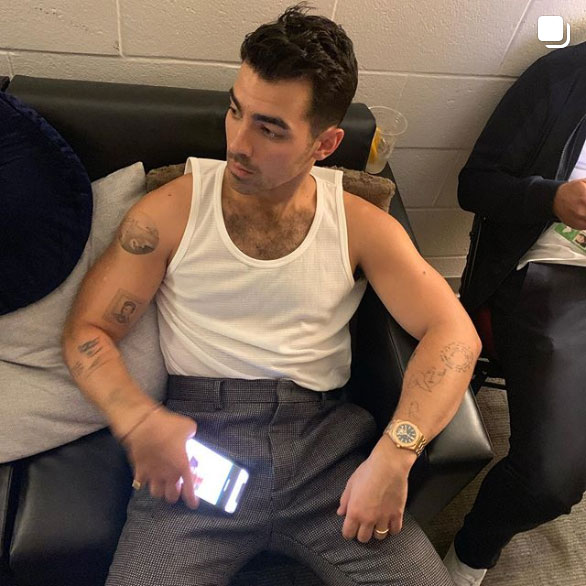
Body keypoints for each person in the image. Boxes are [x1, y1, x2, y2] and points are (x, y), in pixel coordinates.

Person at [62, 5, 479, 585]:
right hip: (196, 449)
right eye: (236, 111)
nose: (237, 144)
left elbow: (455, 332)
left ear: (325, 142)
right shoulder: (171, 210)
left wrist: (396, 452)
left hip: (326, 451)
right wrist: (138, 422)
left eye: (270, 129)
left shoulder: (361, 225)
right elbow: (87, 331)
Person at [445, 40, 586, 586]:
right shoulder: (561, 76)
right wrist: (552, 198)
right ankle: (472, 551)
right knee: (550, 480)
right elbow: (475, 185)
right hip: (554, 274)